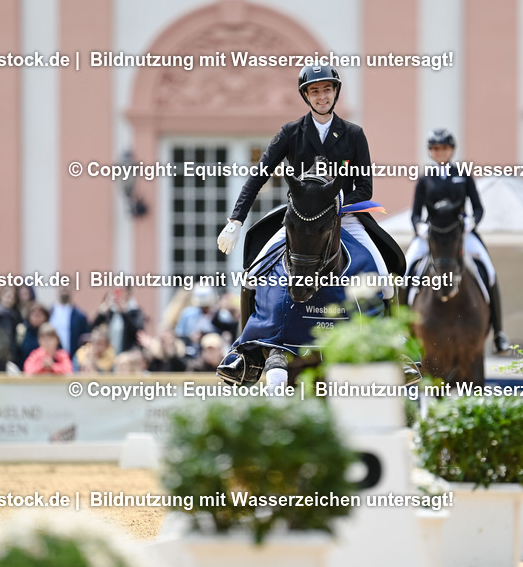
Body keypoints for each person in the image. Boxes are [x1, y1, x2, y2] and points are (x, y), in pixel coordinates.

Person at [216, 63, 391, 298]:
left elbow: (364, 188)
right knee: (251, 276)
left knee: (385, 278)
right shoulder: (290, 132)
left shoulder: (354, 133)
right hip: (299, 220)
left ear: (335, 92)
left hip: (344, 217)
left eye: (327, 89)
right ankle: (245, 334)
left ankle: (394, 333)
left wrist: (337, 205)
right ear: (306, 95)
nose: (322, 97)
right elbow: (259, 175)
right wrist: (236, 220)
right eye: (315, 91)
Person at [405, 128, 506, 352]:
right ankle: (401, 330)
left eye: (445, 148)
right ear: (431, 152)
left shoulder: (463, 174)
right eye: (436, 149)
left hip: (461, 234)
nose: (441, 152)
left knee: (488, 271)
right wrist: (419, 227)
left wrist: (471, 222)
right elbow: (415, 213)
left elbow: (478, 208)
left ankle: (499, 332)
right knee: (406, 269)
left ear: (452, 150)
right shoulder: (425, 179)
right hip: (431, 236)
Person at [50, 286, 90, 359]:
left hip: (73, 356)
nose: (64, 290)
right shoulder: (49, 313)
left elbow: (84, 339)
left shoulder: (80, 316)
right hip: (52, 357)